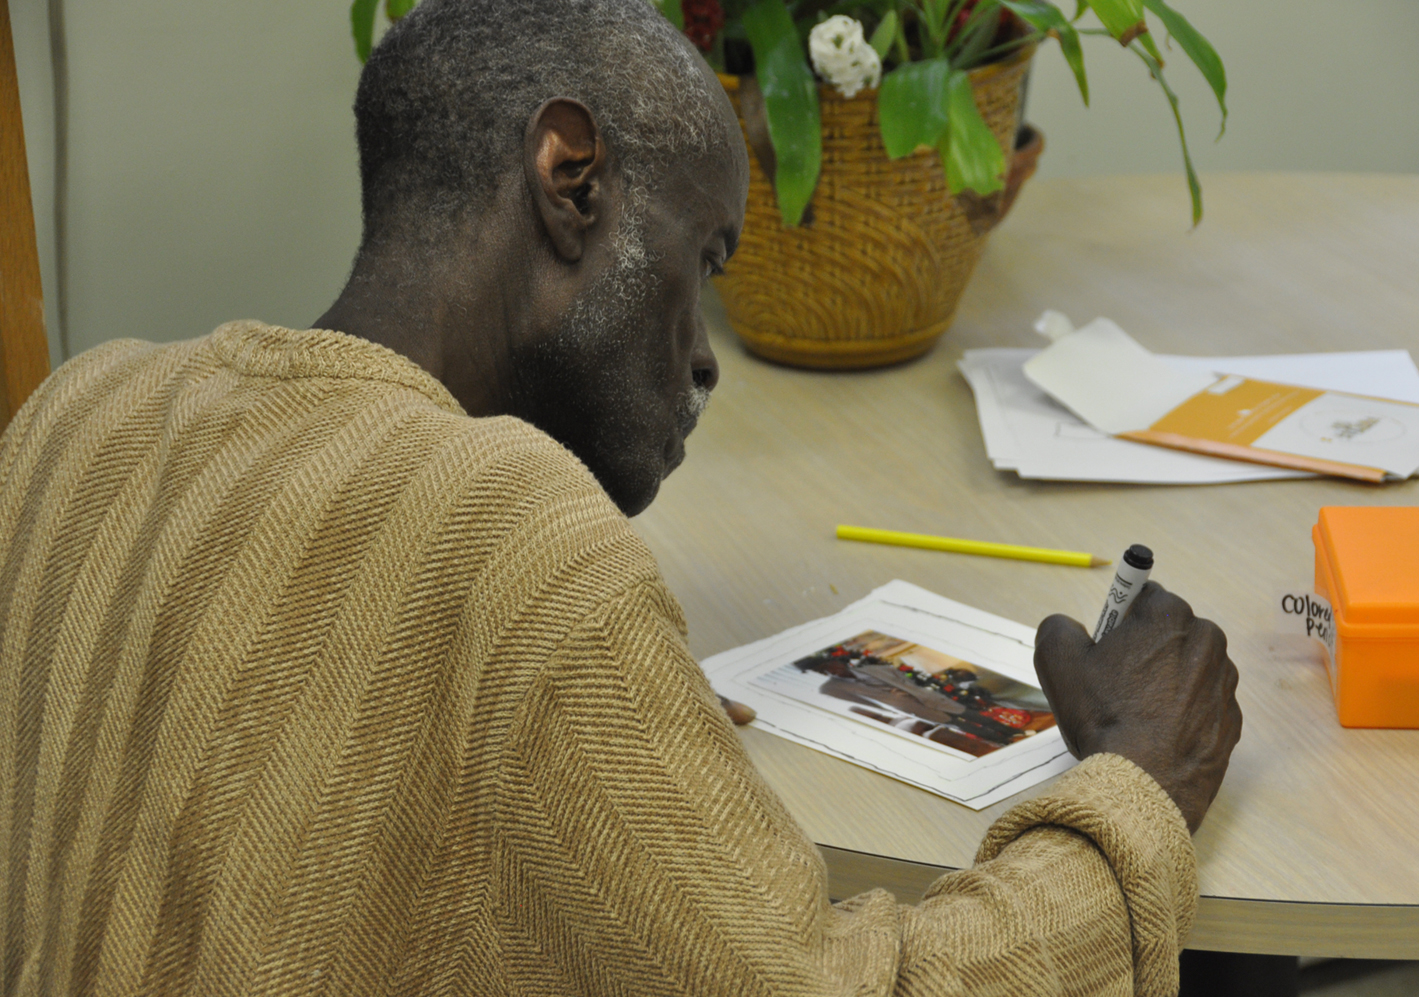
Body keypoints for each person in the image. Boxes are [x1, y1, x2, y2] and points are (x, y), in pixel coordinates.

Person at [0, 1, 1241, 994]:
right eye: (703, 258)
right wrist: (1137, 783)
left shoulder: (77, 413)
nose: (703, 358)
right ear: (571, 176)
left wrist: (603, 708)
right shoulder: (514, 535)